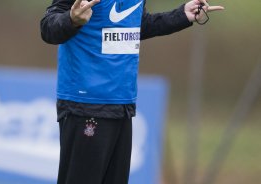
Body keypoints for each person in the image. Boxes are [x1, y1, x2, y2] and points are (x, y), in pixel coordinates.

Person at [40, 0, 223, 183]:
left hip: (122, 103)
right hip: (85, 103)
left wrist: (181, 15)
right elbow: (48, 28)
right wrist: (71, 19)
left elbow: (137, 25)